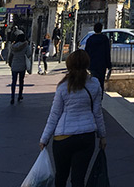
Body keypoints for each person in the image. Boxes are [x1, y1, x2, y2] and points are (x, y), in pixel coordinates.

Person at [39, 49, 106, 187]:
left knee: (61, 176)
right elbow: (97, 112)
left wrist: (44, 138)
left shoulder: (63, 87)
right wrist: (102, 135)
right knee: (78, 179)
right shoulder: (94, 84)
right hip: (86, 136)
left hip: (63, 137)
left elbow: (54, 114)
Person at [84, 23, 112, 92]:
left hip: (92, 63)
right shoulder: (105, 39)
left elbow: (86, 52)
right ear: (101, 29)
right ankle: (100, 96)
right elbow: (107, 52)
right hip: (102, 64)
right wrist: (109, 64)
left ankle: (94, 94)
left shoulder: (90, 39)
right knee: (101, 81)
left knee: (93, 80)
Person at [8, 29, 31, 104]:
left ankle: (12, 96)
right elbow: (29, 54)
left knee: (13, 81)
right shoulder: (25, 45)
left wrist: (10, 63)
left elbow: (10, 56)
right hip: (22, 65)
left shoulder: (13, 46)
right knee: (21, 81)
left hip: (14, 65)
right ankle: (20, 95)